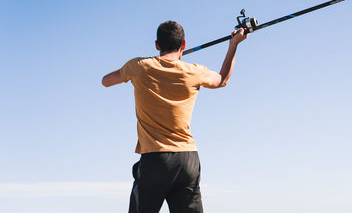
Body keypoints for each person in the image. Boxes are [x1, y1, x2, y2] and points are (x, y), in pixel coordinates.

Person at [102, 21, 247, 213]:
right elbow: (222, 79)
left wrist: (136, 68)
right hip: (187, 159)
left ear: (156, 44)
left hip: (155, 159)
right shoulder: (194, 71)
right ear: (184, 44)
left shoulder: (139, 66)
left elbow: (106, 81)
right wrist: (234, 44)